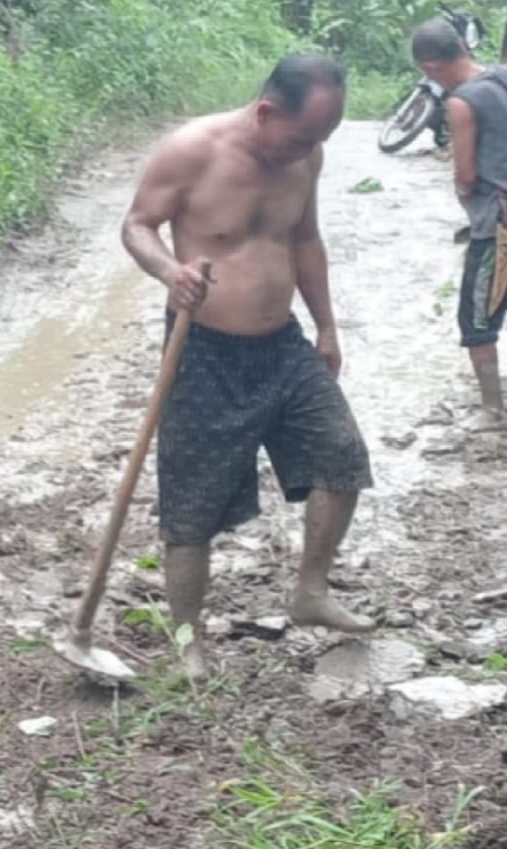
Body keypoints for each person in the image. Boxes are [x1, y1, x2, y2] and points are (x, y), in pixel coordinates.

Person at [120, 53, 376, 682]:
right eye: (303, 136)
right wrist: (170, 272)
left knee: (341, 456)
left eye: (321, 138)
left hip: (282, 344)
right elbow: (138, 226)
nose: (310, 150)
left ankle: (310, 591)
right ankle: (188, 640)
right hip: (203, 351)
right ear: (266, 112)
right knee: (190, 507)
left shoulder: (305, 156)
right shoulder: (190, 151)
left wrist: (326, 325)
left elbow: (305, 239)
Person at [411, 18, 507, 429]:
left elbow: (467, 175)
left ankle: (492, 409)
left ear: (430, 66)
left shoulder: (461, 104)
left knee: (476, 315)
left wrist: (462, 192)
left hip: (500, 225)